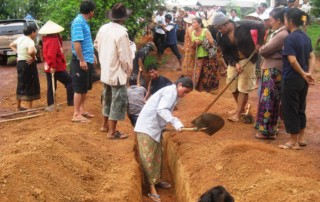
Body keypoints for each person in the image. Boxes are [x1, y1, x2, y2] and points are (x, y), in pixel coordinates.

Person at [134, 76, 193, 202]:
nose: (185, 94)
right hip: (147, 128)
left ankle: (157, 181)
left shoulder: (172, 93)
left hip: (154, 128)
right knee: (148, 157)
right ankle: (151, 188)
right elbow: (162, 109)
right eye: (185, 91)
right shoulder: (170, 92)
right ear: (180, 85)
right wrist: (175, 122)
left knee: (157, 156)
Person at [213, 12, 265, 122]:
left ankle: (238, 113)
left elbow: (261, 25)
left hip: (248, 58)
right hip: (234, 61)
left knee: (243, 87)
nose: (219, 31)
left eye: (219, 28)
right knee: (232, 85)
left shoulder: (244, 24)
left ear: (226, 24)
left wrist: (259, 43)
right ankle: (240, 109)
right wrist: (235, 63)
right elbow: (225, 52)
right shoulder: (220, 36)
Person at [94, 3, 133, 139]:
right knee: (117, 101)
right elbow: (125, 57)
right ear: (123, 18)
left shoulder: (103, 28)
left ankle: (104, 125)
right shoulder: (122, 33)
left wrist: (105, 59)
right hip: (117, 73)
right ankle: (112, 132)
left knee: (107, 97)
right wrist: (128, 71)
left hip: (105, 70)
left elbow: (96, 44)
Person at [279, 8, 315, 150]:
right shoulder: (305, 36)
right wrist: (308, 73)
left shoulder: (290, 38)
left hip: (292, 78)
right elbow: (312, 56)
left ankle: (293, 142)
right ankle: (301, 138)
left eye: (285, 19)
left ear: (291, 21)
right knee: (301, 107)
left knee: (290, 108)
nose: (284, 22)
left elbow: (292, 61)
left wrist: (302, 73)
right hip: (302, 80)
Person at [254, 8, 288, 139]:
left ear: (279, 20)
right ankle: (268, 128)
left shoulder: (282, 34)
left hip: (273, 69)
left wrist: (263, 49)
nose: (270, 22)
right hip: (272, 68)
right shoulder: (279, 32)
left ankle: (267, 130)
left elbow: (264, 50)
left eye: (272, 20)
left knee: (269, 100)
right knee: (269, 99)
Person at [70, 0, 96, 123]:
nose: (94, 13)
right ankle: (76, 114)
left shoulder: (84, 22)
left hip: (87, 59)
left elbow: (86, 42)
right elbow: (77, 43)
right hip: (80, 61)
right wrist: (81, 60)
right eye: (93, 11)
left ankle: (81, 110)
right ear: (90, 11)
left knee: (84, 87)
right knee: (79, 88)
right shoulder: (78, 22)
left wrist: (92, 56)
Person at [38, 20, 74, 110]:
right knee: (70, 81)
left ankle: (51, 104)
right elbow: (51, 54)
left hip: (50, 66)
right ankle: (70, 101)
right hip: (56, 66)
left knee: (51, 85)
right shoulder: (52, 40)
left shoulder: (49, 39)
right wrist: (53, 66)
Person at [9, 25, 40, 111]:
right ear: (32, 32)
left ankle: (18, 107)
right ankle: (29, 109)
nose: (36, 34)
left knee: (21, 83)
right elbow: (31, 51)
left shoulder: (20, 38)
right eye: (35, 32)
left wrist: (18, 53)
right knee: (30, 83)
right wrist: (33, 57)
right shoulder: (30, 41)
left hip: (20, 63)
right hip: (28, 63)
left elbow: (11, 45)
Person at [191, 18, 220, 93]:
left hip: (208, 56)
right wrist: (195, 43)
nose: (192, 24)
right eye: (192, 23)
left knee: (208, 73)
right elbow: (193, 45)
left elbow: (211, 42)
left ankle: (207, 90)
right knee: (198, 72)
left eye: (194, 22)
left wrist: (201, 41)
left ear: (199, 24)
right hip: (199, 55)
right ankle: (199, 89)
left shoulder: (205, 31)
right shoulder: (192, 33)